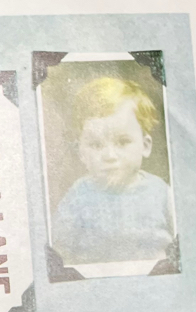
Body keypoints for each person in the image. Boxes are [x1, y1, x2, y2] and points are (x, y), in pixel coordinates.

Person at [50, 77, 174, 266]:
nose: (109, 156)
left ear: (145, 146)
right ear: (81, 153)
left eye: (122, 142)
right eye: (96, 145)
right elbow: (58, 251)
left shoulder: (161, 192)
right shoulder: (78, 196)